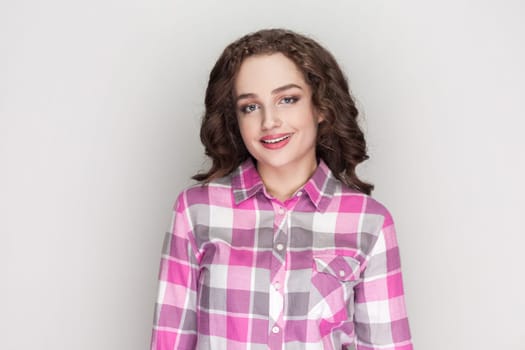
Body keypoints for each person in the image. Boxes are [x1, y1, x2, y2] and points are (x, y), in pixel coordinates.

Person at [151, 28, 413, 350]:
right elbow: (169, 342)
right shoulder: (196, 212)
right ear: (235, 120)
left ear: (322, 108)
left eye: (287, 99)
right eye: (250, 106)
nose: (269, 121)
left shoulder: (368, 223)